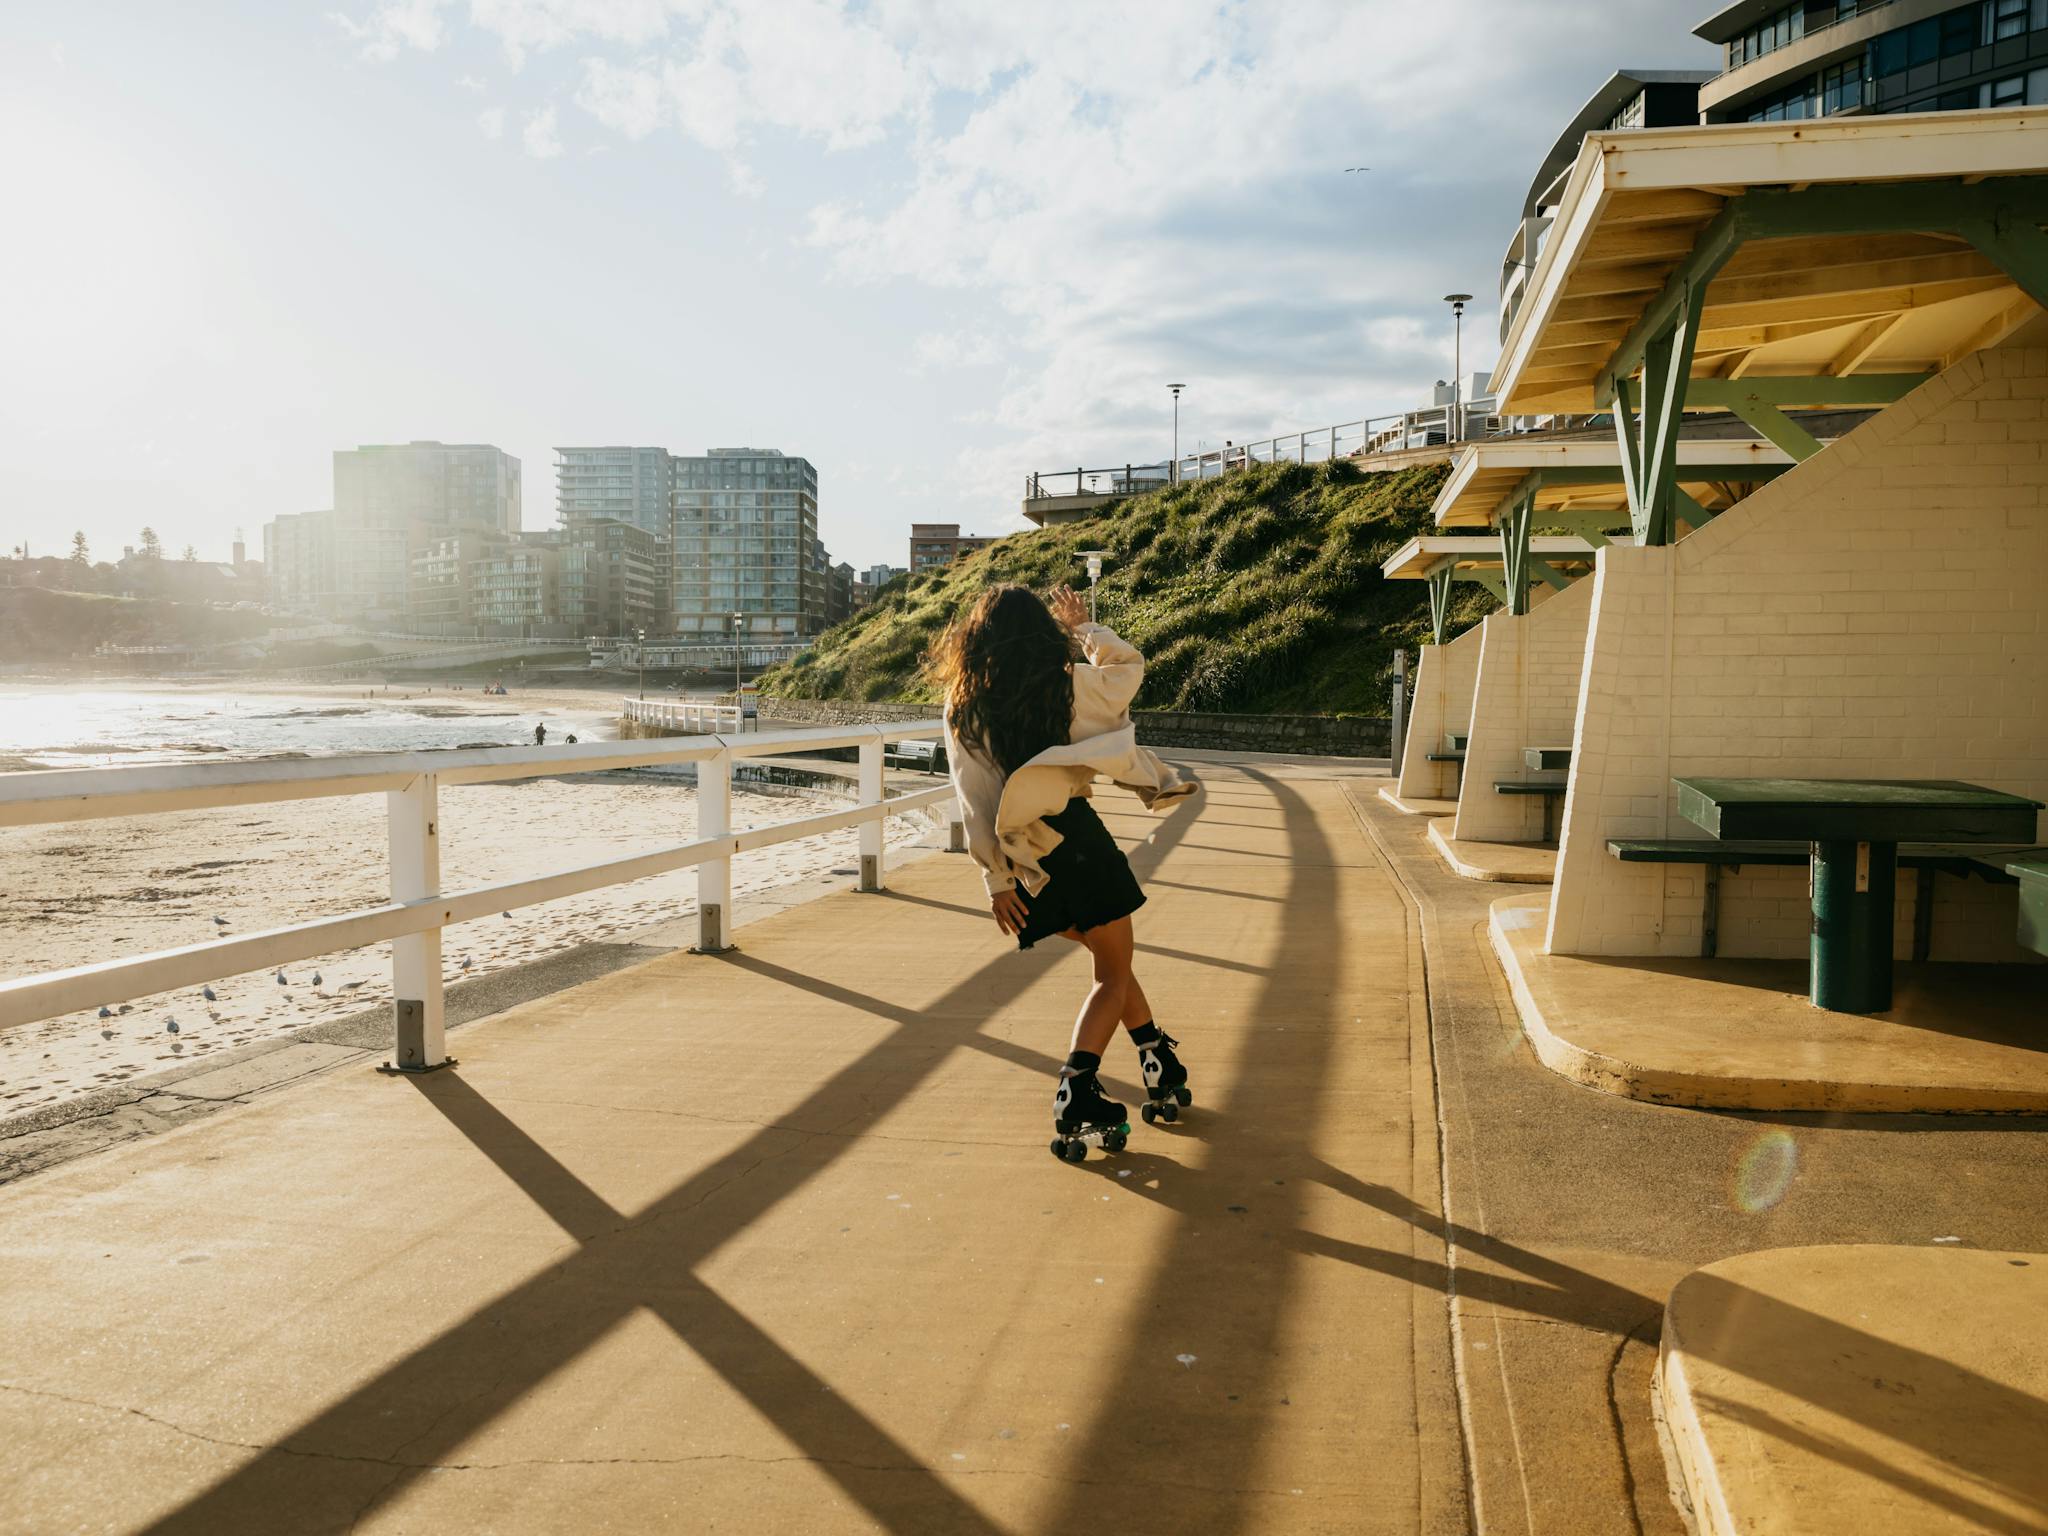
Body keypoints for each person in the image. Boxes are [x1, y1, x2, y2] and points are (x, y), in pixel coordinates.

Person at [933, 583, 1198, 1152]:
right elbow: (1127, 669)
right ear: (1040, 632)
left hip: (1028, 858)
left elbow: (972, 797)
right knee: (1112, 970)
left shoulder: (963, 705)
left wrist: (996, 879)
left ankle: (1157, 1061)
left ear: (977, 639)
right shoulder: (1065, 684)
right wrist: (1083, 628)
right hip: (1076, 841)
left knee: (1112, 959)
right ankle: (1076, 1089)